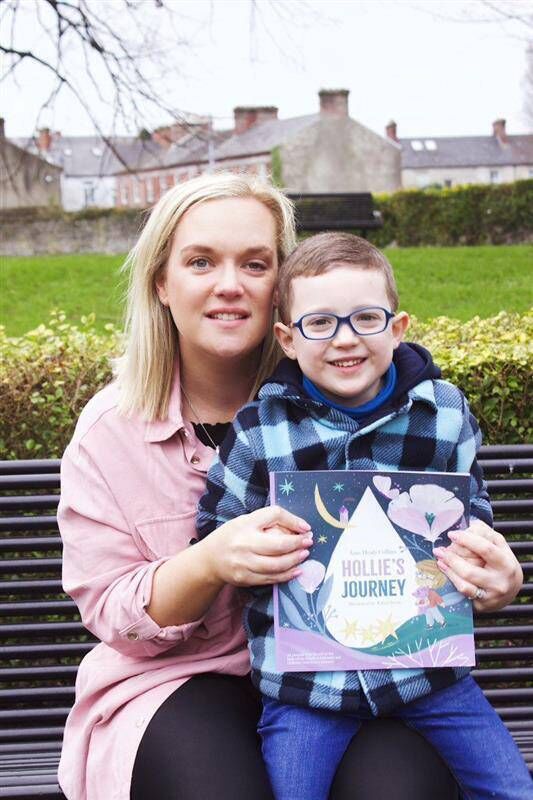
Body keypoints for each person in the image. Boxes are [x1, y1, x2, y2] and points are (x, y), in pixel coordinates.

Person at [57, 175, 522, 800]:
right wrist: (208, 562)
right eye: (201, 262)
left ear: (282, 285)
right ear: (162, 282)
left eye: (255, 263)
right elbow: (113, 613)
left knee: (400, 789)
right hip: (181, 679)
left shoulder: (361, 393)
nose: (229, 284)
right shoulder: (112, 431)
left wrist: (488, 576)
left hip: (354, 671)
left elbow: (452, 524)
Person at [197, 232, 531, 800]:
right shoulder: (260, 431)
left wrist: (485, 565)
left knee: (511, 789)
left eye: (366, 318)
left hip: (428, 673)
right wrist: (249, 555)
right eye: (320, 323)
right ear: (287, 339)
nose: (345, 338)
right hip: (308, 686)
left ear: (398, 328)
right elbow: (214, 530)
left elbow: (471, 515)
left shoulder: (444, 414)